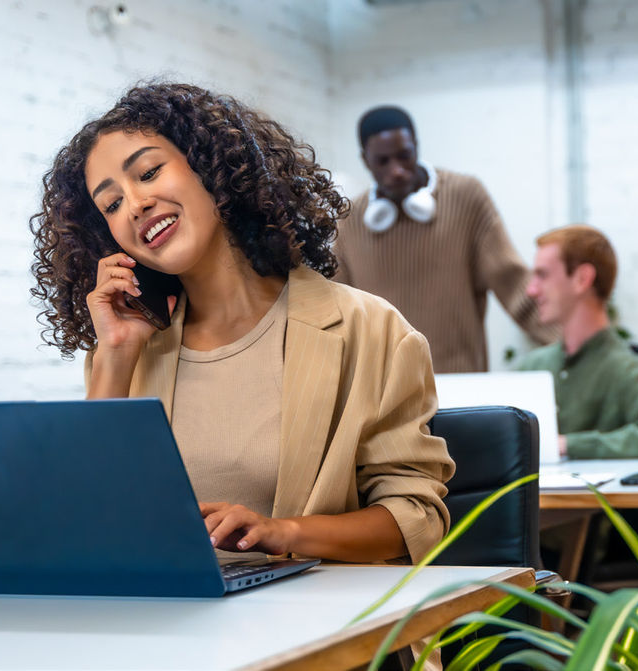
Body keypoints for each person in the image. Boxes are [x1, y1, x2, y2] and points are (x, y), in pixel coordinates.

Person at [29, 83, 454, 566]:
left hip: (317, 624)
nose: (135, 204)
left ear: (210, 167)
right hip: (169, 625)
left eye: (148, 172)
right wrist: (116, 356)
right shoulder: (126, 350)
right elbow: (87, 519)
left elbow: (415, 518)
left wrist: (281, 533)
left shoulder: (372, 330)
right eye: (111, 205)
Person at [334, 105, 555, 373]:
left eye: (404, 156)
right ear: (365, 160)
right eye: (383, 162)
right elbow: (336, 315)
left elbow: (514, 284)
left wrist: (575, 340)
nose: (397, 171)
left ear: (416, 146)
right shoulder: (350, 222)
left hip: (461, 385)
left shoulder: (466, 198)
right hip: (383, 396)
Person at [517, 225, 638, 458]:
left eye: (542, 275)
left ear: (582, 279)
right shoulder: (531, 367)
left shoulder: (624, 369)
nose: (531, 290)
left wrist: (568, 445)